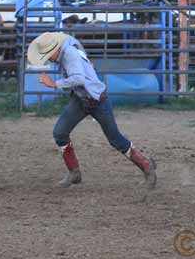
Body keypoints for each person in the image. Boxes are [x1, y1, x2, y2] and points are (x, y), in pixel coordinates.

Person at [27, 31, 157, 189]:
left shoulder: (70, 55)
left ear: (54, 50)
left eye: (48, 56)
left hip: (96, 100)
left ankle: (147, 167)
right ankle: (74, 172)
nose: (48, 59)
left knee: (116, 139)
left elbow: (79, 78)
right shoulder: (69, 45)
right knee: (60, 132)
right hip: (81, 98)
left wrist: (53, 84)